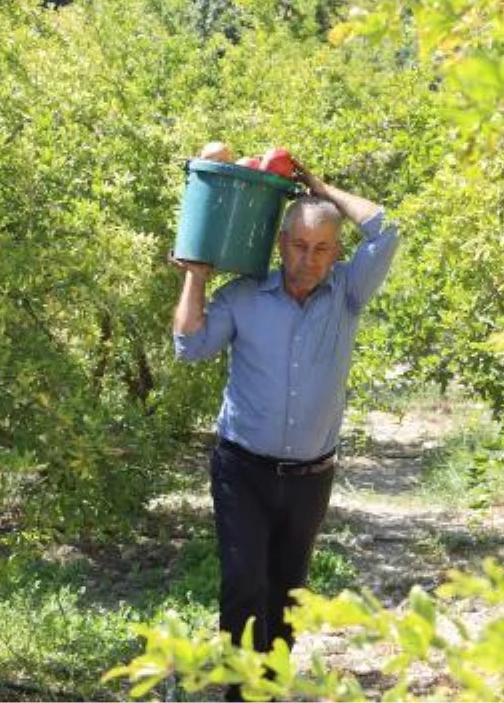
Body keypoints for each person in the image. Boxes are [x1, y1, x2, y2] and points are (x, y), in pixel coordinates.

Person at [171, 164, 398, 696]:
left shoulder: (347, 295)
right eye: (299, 245)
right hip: (241, 470)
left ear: (336, 253)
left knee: (286, 595)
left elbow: (385, 230)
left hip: (310, 476)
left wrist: (322, 191)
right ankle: (238, 691)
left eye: (322, 248)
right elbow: (190, 347)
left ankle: (267, 688)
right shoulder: (243, 296)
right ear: (280, 243)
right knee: (245, 584)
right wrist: (195, 276)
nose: (308, 258)